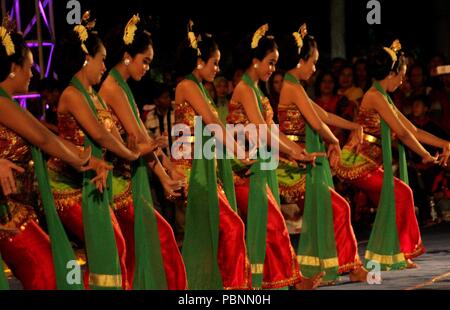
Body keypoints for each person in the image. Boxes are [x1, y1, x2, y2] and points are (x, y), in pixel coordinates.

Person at [0, 21, 107, 289]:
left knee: (55, 270)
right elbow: (43, 138)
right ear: (14, 69)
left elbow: (45, 136)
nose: (33, 73)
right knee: (51, 271)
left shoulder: (7, 104)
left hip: (18, 213)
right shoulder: (1, 103)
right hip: (7, 216)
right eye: (29, 65)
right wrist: (84, 160)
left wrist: (86, 160)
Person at [48, 13, 150, 289]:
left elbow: (113, 135)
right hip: (67, 185)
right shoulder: (72, 93)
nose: (105, 65)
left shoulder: (92, 94)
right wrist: (132, 155)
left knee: (113, 245)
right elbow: (100, 136)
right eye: (101, 58)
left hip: (92, 179)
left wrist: (135, 148)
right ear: (85, 58)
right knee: (112, 242)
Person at [336, 40, 450, 269]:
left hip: (370, 162)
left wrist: (445, 142)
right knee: (401, 193)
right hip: (357, 161)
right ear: (391, 73)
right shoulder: (374, 96)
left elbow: (413, 130)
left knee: (393, 199)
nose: (402, 80)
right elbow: (404, 134)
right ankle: (399, 253)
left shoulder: (383, 96)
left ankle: (388, 256)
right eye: (401, 75)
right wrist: (425, 154)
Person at [227, 24, 323, 289]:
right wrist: (294, 151)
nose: (273, 69)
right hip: (242, 173)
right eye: (270, 63)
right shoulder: (245, 90)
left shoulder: (256, 89)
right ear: (255, 61)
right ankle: (271, 281)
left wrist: (295, 153)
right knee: (272, 223)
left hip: (255, 169)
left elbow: (269, 130)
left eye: (275, 64)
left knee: (273, 223)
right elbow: (262, 130)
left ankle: (283, 279)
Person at [100, 15, 187, 289]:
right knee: (159, 240)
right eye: (145, 61)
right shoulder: (113, 88)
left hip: (126, 180)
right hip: (116, 184)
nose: (148, 68)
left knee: (136, 254)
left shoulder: (122, 86)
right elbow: (140, 140)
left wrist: (166, 173)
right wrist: (164, 175)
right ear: (127, 57)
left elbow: (143, 140)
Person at [276, 24, 367, 283]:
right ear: (301, 61)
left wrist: (354, 126)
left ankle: (320, 270)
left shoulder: (295, 86)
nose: (315, 68)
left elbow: (323, 115)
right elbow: (317, 124)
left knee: (328, 213)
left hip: (303, 160)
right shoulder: (292, 86)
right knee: (339, 208)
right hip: (297, 163)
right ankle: (352, 267)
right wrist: (334, 142)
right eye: (313, 62)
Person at [171, 21, 251, 290]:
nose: (217, 69)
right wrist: (239, 152)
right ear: (199, 61)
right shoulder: (188, 86)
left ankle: (215, 286)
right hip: (193, 173)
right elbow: (213, 124)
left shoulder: (197, 87)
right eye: (214, 63)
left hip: (203, 170)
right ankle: (233, 288)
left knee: (218, 232)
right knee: (232, 228)